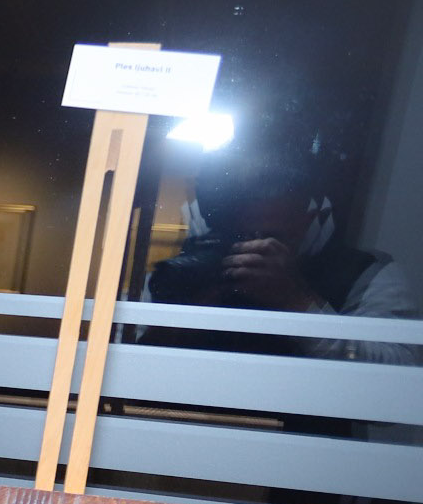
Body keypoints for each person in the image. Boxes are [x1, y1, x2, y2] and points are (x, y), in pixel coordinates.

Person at [146, 144, 418, 365]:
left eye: (274, 237)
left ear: (310, 219)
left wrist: (297, 302)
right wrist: (189, 315)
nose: (257, 248)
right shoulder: (207, 263)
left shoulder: (367, 276)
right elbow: (138, 354)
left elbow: (399, 374)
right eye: (245, 236)